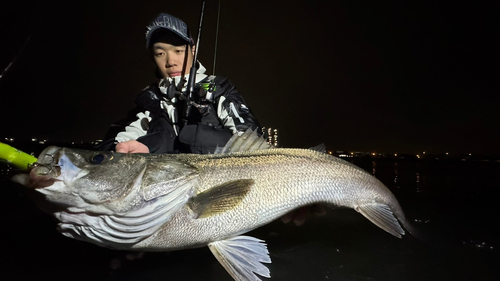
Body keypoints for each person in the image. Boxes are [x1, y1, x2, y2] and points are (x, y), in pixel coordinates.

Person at [99, 13, 261, 154]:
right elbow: (115, 142)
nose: (170, 61)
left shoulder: (216, 88)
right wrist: (126, 149)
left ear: (193, 50)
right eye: (160, 53)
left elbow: (250, 140)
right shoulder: (150, 99)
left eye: (178, 51)